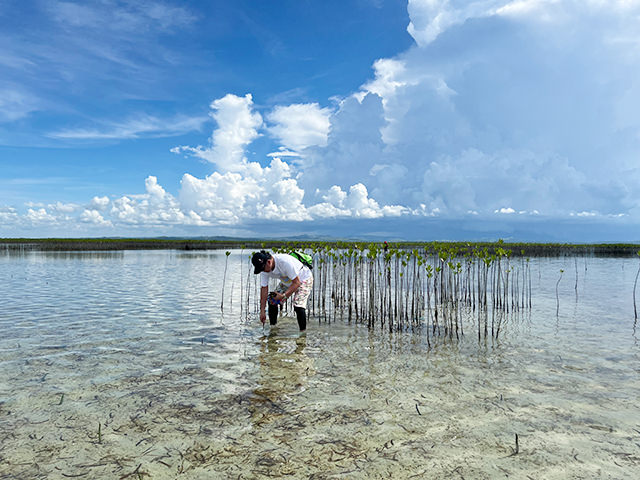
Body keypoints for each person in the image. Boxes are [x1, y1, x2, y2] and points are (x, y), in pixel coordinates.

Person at [252, 250, 313, 331]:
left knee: (298, 305)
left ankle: (302, 334)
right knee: (272, 300)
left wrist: (284, 296)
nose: (262, 271)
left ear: (269, 262)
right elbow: (264, 289)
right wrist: (262, 311)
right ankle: (273, 329)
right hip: (287, 281)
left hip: (304, 279)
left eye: (262, 269)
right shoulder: (264, 269)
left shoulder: (284, 262)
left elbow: (297, 283)